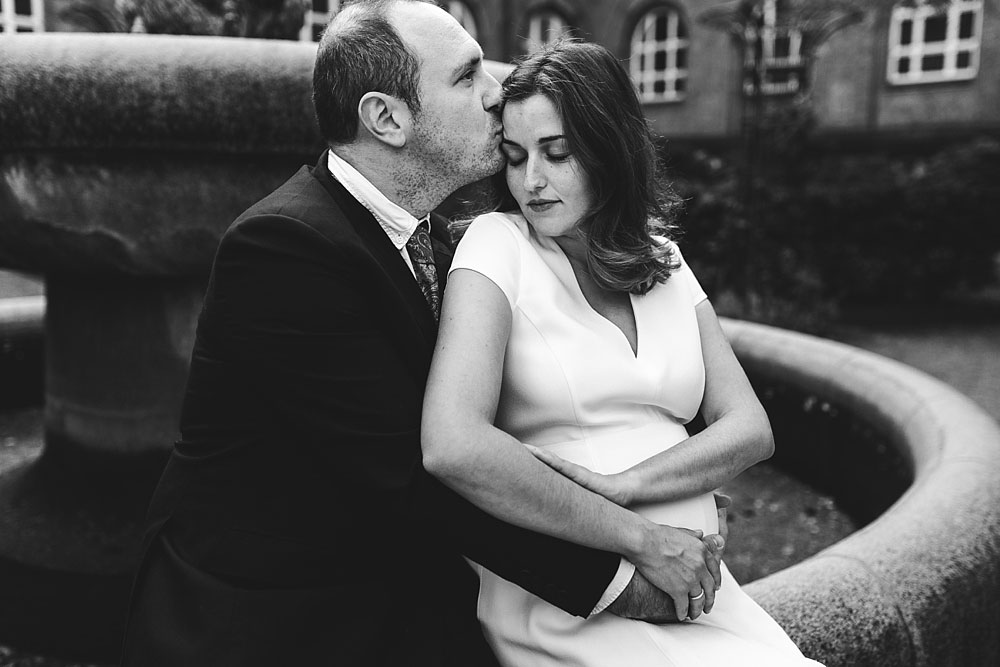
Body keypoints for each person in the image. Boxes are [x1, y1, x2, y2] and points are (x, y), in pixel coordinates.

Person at [120, 3, 725, 666]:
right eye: (467, 77)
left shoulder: (435, 239)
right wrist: (626, 573)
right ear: (387, 118)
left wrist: (660, 474)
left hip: (397, 580)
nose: (497, 91)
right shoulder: (283, 249)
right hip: (266, 616)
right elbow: (415, 473)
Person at [421, 40, 826, 666]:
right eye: (515, 156)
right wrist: (630, 523)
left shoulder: (660, 257)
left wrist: (631, 483)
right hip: (576, 596)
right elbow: (453, 442)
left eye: (557, 153)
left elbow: (749, 427)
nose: (532, 180)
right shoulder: (496, 245)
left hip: (695, 590)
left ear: (609, 147)